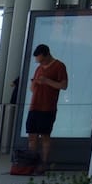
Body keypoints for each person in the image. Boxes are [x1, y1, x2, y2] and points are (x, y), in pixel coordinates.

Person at [26, 44, 68, 175]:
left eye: (41, 60)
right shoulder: (39, 68)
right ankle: (31, 162)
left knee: (45, 135)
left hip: (48, 107)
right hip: (34, 105)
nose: (40, 63)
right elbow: (32, 89)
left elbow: (63, 85)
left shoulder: (59, 66)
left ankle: (44, 163)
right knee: (32, 135)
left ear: (46, 55)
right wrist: (35, 83)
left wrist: (47, 81)